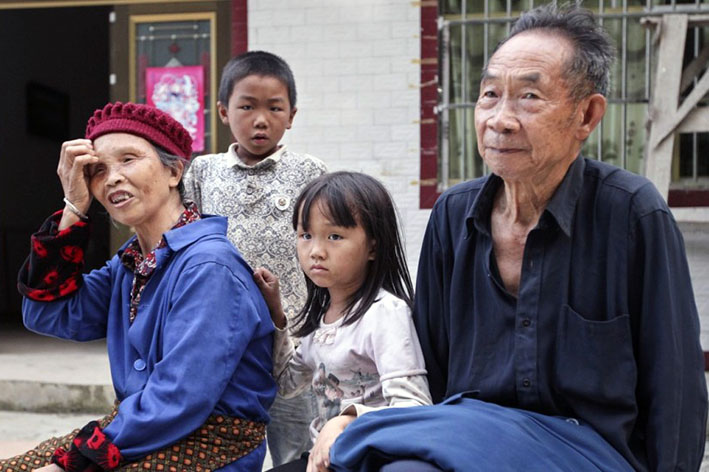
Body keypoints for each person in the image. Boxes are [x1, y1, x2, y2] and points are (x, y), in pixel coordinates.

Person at [329, 5, 707, 472]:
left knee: (358, 441)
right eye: (489, 95)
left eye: (529, 96)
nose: (499, 119)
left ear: (586, 116)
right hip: (469, 441)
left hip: (590, 452)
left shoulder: (632, 212)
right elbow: (430, 367)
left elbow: (676, 386)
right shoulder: (453, 215)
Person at [1, 102, 276, 472]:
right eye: (98, 170)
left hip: (209, 446)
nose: (112, 177)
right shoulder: (130, 265)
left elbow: (179, 398)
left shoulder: (209, 266)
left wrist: (72, 464)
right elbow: (47, 313)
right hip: (141, 434)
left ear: (174, 171)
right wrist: (73, 207)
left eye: (128, 159)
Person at [183, 50, 327, 466]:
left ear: (292, 114)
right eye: (247, 106)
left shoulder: (310, 171)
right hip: (222, 339)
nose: (260, 119)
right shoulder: (202, 172)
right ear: (224, 112)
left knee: (298, 447)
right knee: (225, 446)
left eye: (274, 107)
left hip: (294, 339)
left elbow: (328, 244)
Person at [253, 172, 432, 472]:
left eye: (334, 236)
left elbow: (414, 407)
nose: (316, 251)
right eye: (306, 235)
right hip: (325, 460)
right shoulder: (321, 322)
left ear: (373, 247)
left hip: (370, 458)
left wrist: (346, 419)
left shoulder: (384, 313)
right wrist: (276, 314)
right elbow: (286, 384)